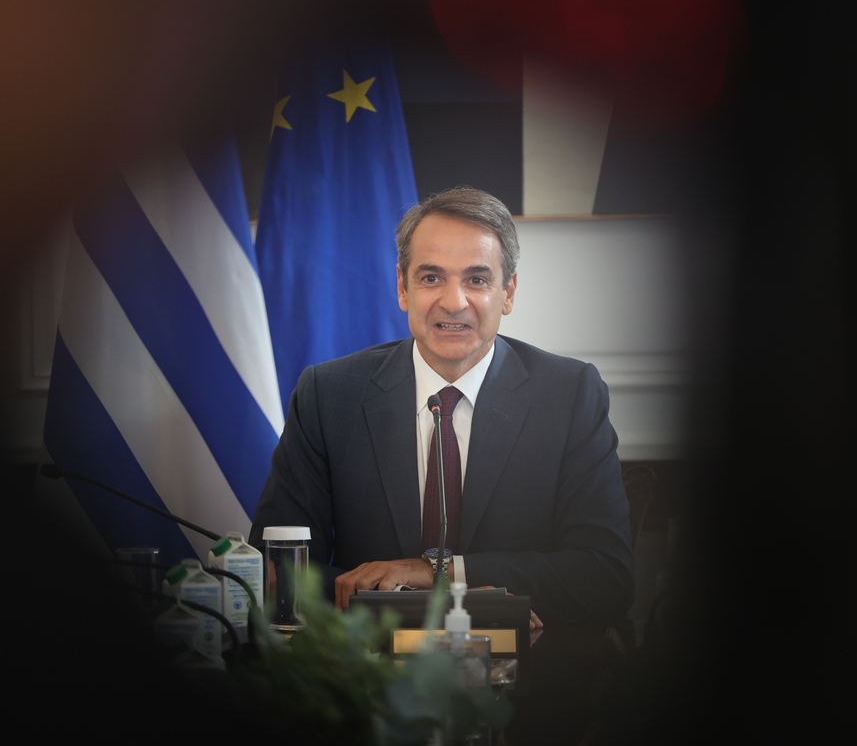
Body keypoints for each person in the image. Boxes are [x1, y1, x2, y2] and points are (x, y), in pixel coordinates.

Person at [250, 188, 634, 625]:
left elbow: (606, 577)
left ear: (508, 292)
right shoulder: (329, 394)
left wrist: (439, 574)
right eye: (431, 278)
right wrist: (401, 611)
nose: (453, 302)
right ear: (402, 288)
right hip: (367, 659)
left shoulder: (569, 395)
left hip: (526, 659)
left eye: (477, 280)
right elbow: (277, 567)